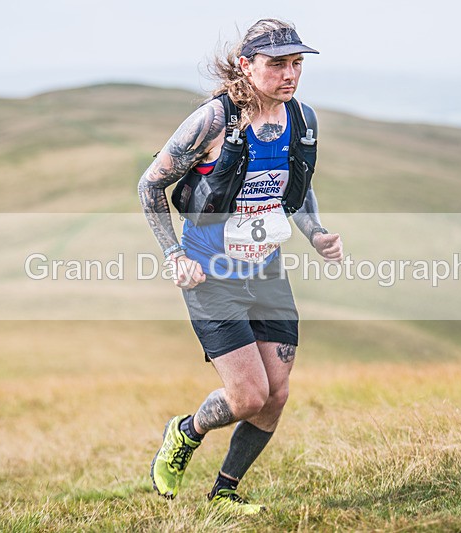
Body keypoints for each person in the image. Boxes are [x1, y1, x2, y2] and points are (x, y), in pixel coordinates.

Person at [137, 18, 343, 514]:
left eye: (297, 63)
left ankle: (225, 492)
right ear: (247, 65)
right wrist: (175, 255)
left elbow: (296, 186)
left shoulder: (303, 120)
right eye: (277, 64)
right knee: (249, 396)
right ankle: (185, 432)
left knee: (277, 394)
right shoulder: (213, 121)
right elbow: (150, 185)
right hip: (211, 276)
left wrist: (316, 232)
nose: (290, 74)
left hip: (267, 272)